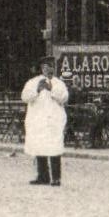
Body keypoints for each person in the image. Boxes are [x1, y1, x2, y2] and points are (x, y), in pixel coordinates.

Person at [21, 57, 68, 186]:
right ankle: (43, 176)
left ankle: (56, 178)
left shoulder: (59, 83)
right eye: (46, 66)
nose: (49, 69)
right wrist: (37, 90)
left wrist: (51, 89)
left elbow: (64, 98)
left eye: (51, 66)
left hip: (53, 121)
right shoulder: (32, 82)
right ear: (42, 68)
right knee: (39, 147)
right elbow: (25, 97)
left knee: (54, 148)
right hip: (38, 121)